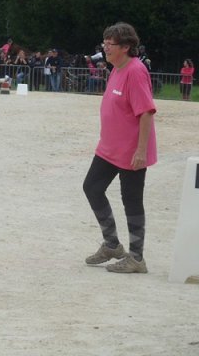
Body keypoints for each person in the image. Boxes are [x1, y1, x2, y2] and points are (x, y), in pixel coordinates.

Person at [83, 22, 157, 274]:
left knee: (132, 201)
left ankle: (136, 258)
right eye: (104, 43)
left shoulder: (135, 71)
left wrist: (141, 150)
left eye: (110, 44)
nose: (105, 48)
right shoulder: (116, 68)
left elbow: (146, 112)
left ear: (126, 47)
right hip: (109, 148)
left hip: (131, 150)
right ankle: (112, 245)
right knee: (92, 188)